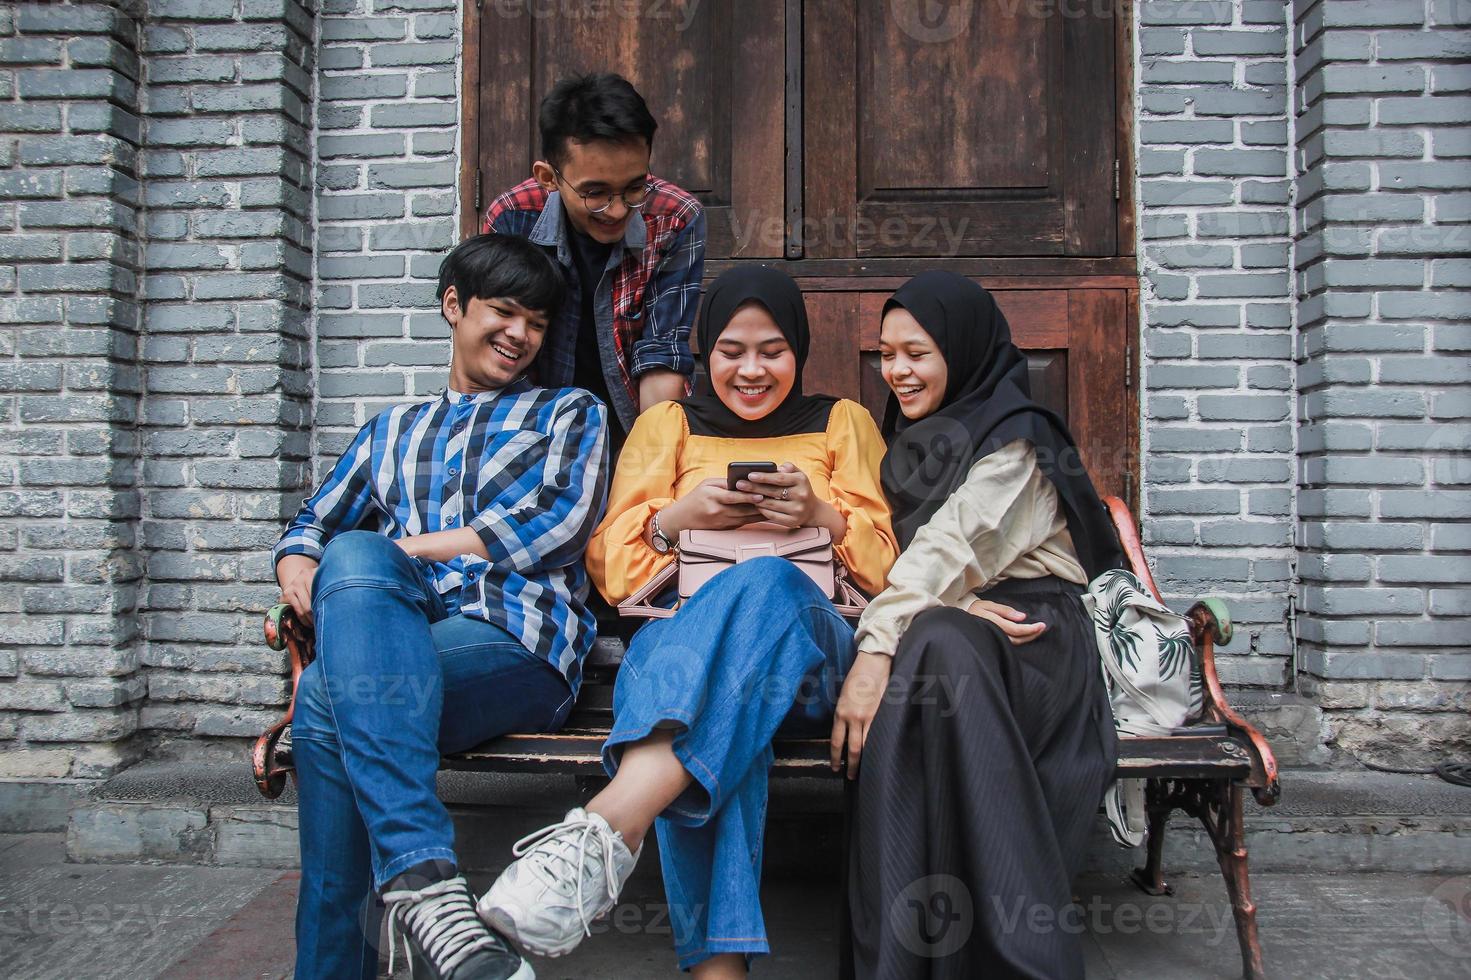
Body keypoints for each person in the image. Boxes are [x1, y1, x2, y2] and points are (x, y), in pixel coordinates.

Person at [476, 267, 899, 978]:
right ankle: (716, 973)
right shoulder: (665, 424)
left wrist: (818, 516)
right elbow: (609, 568)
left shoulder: (842, 421)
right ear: (706, 354)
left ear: (798, 351)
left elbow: (888, 567)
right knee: (714, 708)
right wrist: (676, 519)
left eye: (772, 350)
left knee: (761, 584)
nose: (752, 369)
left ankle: (605, 829)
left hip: (811, 652)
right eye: (732, 350)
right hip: (681, 635)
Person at [273, 235, 609, 980]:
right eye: (504, 311)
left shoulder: (566, 413)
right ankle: (428, 892)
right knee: (351, 572)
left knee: (331, 687)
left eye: (537, 322)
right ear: (454, 306)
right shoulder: (388, 430)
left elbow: (553, 528)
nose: (520, 335)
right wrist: (298, 558)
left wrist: (408, 549)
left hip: (513, 645)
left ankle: (402, 892)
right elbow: (313, 524)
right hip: (397, 651)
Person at [838, 271, 1127, 979]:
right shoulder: (908, 441)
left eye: (917, 353)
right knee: (937, 641)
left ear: (962, 351)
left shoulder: (1017, 442)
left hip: (1036, 641)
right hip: (954, 626)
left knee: (930, 646)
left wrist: (874, 652)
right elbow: (913, 566)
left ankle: (1011, 956)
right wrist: (947, 608)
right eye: (886, 353)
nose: (897, 371)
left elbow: (952, 548)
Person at [483, 72, 705, 447]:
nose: (618, 210)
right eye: (595, 193)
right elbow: (500, 349)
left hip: (629, 426)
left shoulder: (675, 217)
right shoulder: (512, 217)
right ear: (549, 177)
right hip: (527, 429)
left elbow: (662, 356)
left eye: (635, 187)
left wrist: (650, 463)